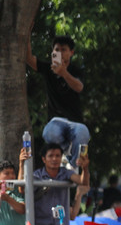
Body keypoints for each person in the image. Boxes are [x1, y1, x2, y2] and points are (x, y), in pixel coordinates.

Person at [26, 35, 88, 164]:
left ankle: (76, 167)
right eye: (56, 50)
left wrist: (64, 73)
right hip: (55, 120)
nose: (59, 53)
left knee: (83, 134)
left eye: (63, 50)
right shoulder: (48, 68)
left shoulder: (76, 70)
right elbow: (29, 59)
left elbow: (79, 87)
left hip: (75, 122)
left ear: (71, 52)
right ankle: (65, 154)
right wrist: (26, 35)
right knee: (50, 132)